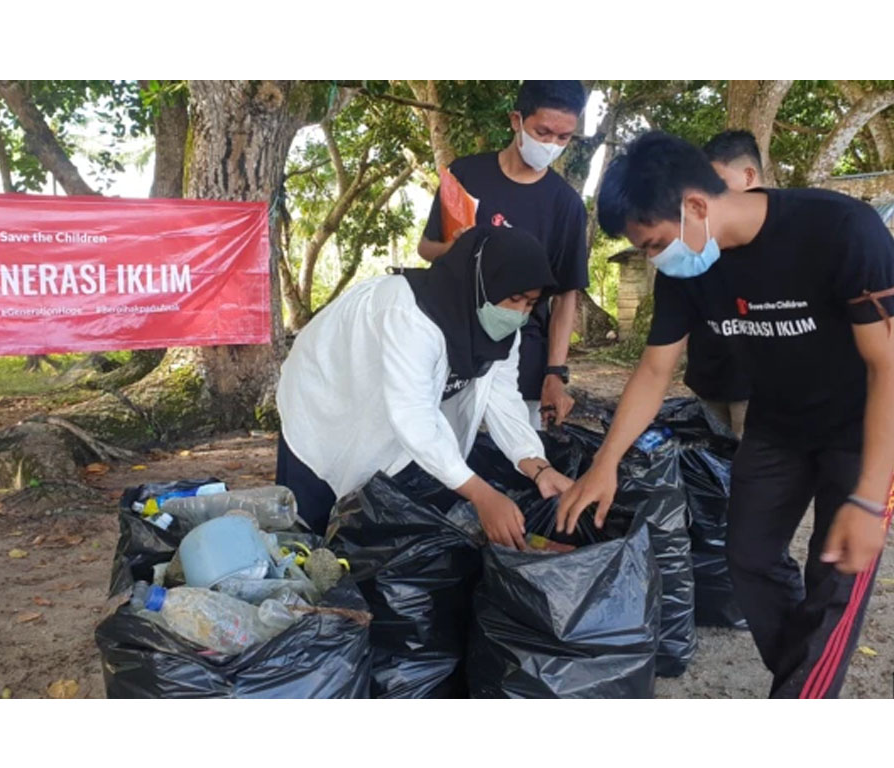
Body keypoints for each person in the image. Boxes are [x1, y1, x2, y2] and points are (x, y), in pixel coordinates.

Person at [558, 131, 894, 698]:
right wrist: (605, 462)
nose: (653, 257)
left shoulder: (839, 230)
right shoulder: (689, 272)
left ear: (694, 206)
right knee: (747, 559)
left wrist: (869, 495)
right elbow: (653, 371)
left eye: (653, 244)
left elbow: (888, 365)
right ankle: (803, 677)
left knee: (835, 579)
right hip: (777, 424)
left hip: (861, 428)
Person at [276, 226, 574, 548]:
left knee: (376, 507)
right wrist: (482, 495)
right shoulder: (407, 313)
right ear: (481, 280)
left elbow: (503, 400)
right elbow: (413, 415)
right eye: (514, 298)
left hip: (387, 407)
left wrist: (538, 467)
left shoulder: (500, 329)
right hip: (326, 396)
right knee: (312, 518)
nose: (519, 314)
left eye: (530, 304)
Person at [417, 81, 589, 431]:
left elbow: (566, 295)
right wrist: (457, 248)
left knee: (519, 456)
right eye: (543, 131)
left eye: (564, 137)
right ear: (516, 120)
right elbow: (426, 249)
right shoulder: (466, 175)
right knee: (446, 455)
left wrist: (555, 373)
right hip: (452, 348)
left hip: (523, 355)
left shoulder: (565, 206)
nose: (551, 145)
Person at [681, 130, 765, 437]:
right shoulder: (699, 237)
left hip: (760, 389)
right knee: (717, 467)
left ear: (748, 175)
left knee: (754, 472)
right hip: (709, 380)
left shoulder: (790, 238)